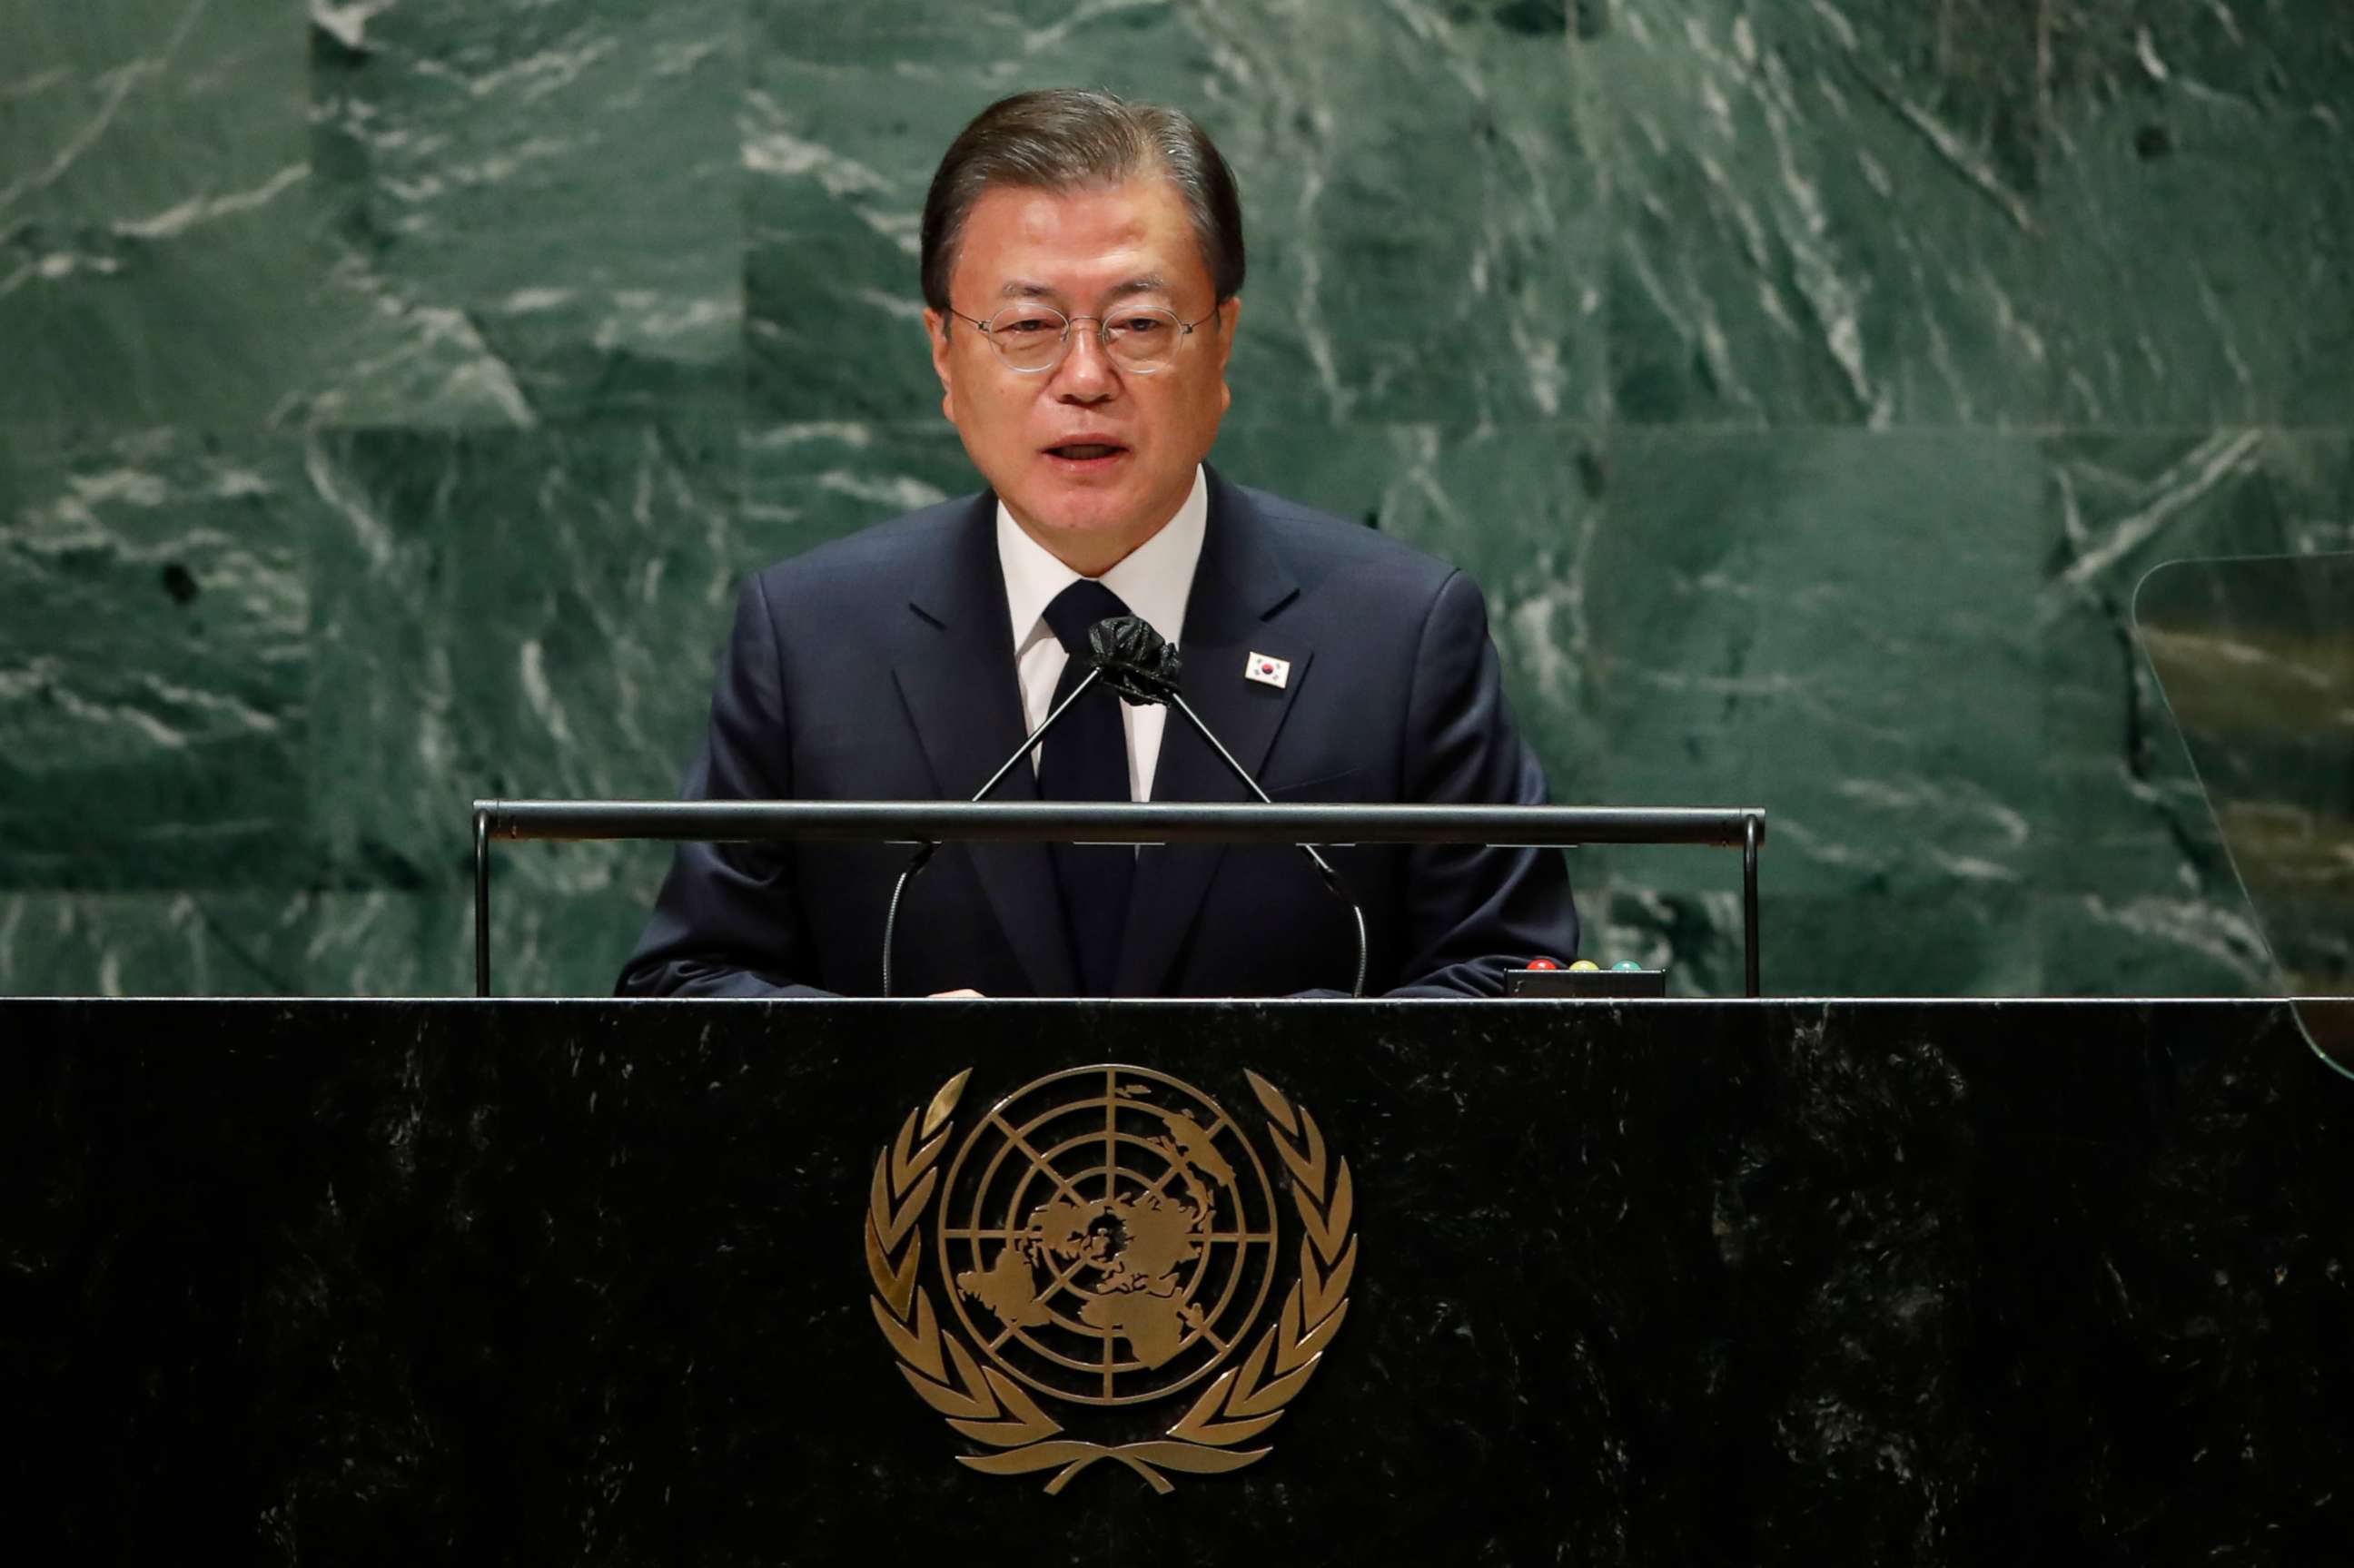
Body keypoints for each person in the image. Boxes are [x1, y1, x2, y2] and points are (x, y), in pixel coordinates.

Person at [618, 89, 1576, 999]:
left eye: (1139, 323)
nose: (1085, 375)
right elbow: (687, 985)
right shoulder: (811, 641)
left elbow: (1514, 974)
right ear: (946, 356)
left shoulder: (1398, 635)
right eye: (1029, 325)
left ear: (1222, 342)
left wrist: (1295, 1068)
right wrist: (881, 1065)